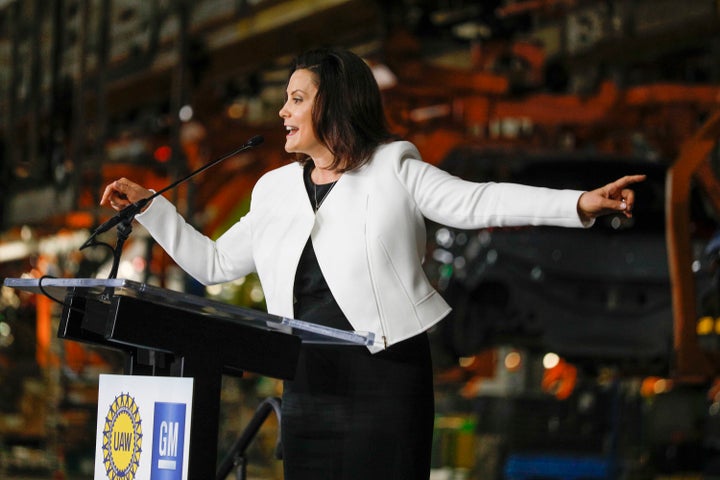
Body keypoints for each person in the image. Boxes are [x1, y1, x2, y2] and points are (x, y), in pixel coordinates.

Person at [101, 47, 645, 479]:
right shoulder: (273, 191)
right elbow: (216, 262)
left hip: (384, 376)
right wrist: (154, 208)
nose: (283, 111)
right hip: (307, 380)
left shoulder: (394, 166)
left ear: (334, 103)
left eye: (296, 98)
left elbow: (478, 202)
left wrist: (576, 203)